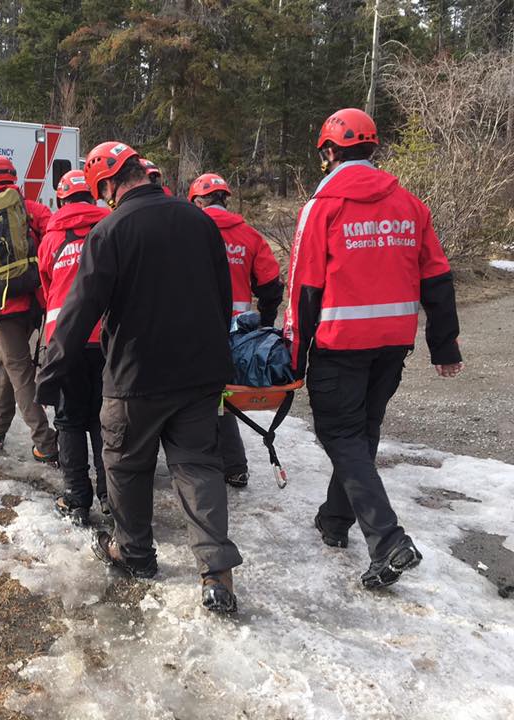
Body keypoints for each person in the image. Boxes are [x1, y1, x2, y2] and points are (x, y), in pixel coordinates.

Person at [36, 141, 241, 613]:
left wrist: (51, 374)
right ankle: (215, 571)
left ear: (108, 185)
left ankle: (134, 554)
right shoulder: (200, 222)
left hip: (135, 375)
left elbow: (79, 310)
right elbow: (222, 296)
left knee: (126, 463)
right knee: (198, 466)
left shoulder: (109, 232)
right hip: (199, 371)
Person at [283, 108, 463, 589]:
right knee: (361, 433)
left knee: (341, 436)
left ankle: (386, 540)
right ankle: (334, 520)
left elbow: (304, 290)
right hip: (392, 346)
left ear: (329, 152)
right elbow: (438, 279)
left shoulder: (323, 206)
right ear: (373, 150)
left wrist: (293, 357)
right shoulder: (410, 205)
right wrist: (443, 346)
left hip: (340, 344)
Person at [189, 172, 284, 488]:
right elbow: (271, 287)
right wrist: (265, 327)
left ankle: (210, 465)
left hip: (195, 329)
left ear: (199, 201)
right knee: (221, 397)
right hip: (236, 335)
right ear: (224, 199)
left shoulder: (189, 231)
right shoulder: (250, 236)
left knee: (197, 398)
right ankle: (234, 465)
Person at [0, 154, 58, 464]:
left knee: (19, 371)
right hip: (34, 303)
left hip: (2, 309)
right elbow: (55, 239)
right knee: (8, 364)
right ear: (14, 177)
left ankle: (45, 443)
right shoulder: (31, 210)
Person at [38, 170, 111, 525]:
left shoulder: (51, 238)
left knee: (68, 420)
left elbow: (46, 286)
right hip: (106, 340)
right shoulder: (111, 227)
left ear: (62, 200)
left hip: (64, 342)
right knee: (104, 419)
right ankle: (111, 498)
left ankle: (76, 499)